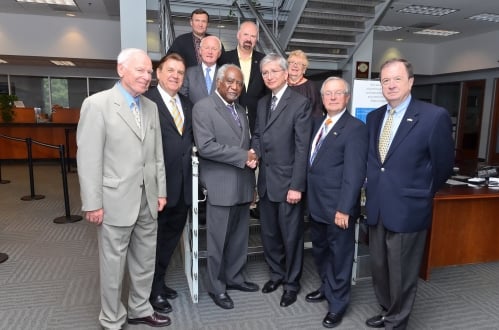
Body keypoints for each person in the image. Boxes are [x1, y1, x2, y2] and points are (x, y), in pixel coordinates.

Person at [76, 48, 170, 329]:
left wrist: (161, 191)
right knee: (113, 265)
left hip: (148, 198)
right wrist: (92, 202)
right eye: (140, 70)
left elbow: (156, 155)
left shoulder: (150, 107)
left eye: (149, 73)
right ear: (121, 70)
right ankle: (112, 318)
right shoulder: (97, 104)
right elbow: (88, 157)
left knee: (144, 259)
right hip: (114, 199)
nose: (146, 77)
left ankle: (140, 308)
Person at [365, 58, 454, 329]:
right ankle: (387, 310)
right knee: (380, 268)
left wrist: (420, 192)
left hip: (409, 209)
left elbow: (443, 165)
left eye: (397, 79)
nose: (390, 85)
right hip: (378, 206)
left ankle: (397, 322)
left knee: (402, 273)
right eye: (385, 80)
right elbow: (377, 163)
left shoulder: (433, 116)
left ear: (411, 82)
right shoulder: (374, 117)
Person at [192, 64, 259, 309]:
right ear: (219, 82)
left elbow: (248, 142)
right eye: (230, 81)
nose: (234, 87)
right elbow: (206, 146)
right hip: (220, 185)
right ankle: (216, 286)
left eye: (239, 83)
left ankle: (235, 277)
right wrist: (244, 156)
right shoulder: (203, 107)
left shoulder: (240, 110)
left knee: (240, 238)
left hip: (242, 183)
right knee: (218, 241)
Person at [251, 53, 312, 307]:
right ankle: (276, 274)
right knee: (270, 235)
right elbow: (257, 134)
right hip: (265, 182)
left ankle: (292, 283)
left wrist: (297, 186)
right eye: (265, 73)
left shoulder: (300, 103)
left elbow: (302, 148)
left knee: (291, 237)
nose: (269, 76)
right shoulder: (263, 103)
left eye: (274, 72)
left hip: (288, 185)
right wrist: (254, 152)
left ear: (286, 74)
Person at [306, 77, 368, 328]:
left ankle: (338, 304)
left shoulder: (355, 128)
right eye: (327, 94)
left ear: (347, 97)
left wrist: (344, 208)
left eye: (337, 93)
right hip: (317, 205)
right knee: (320, 252)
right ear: (321, 98)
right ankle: (326, 287)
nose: (332, 97)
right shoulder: (318, 123)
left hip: (338, 209)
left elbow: (354, 174)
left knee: (340, 256)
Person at [144, 53, 193, 315]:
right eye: (170, 70)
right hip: (158, 190)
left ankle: (159, 283)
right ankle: (151, 291)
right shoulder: (146, 102)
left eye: (180, 72)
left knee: (170, 241)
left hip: (183, 187)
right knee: (152, 242)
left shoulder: (187, 103)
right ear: (158, 73)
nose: (175, 76)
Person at [219, 20, 267, 134]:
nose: (248, 39)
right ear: (238, 35)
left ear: (256, 40)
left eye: (253, 36)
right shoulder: (224, 59)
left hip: (256, 122)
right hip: (228, 119)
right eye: (245, 34)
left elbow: (267, 92)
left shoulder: (263, 60)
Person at [180, 35, 222, 104]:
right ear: (200, 51)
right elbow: (182, 100)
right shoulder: (189, 73)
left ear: (219, 53)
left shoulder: (225, 74)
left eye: (214, 49)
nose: (210, 52)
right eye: (206, 48)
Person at [287, 50, 324, 118]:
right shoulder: (280, 84)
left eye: (299, 63)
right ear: (287, 66)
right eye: (292, 62)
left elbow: (316, 112)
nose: (295, 65)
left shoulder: (311, 87)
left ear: (304, 69)